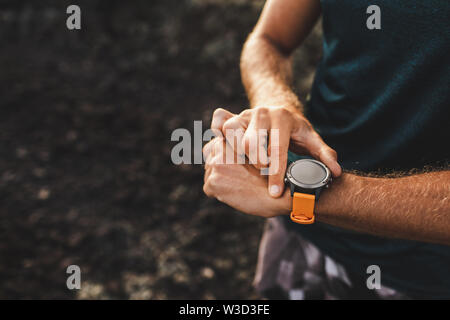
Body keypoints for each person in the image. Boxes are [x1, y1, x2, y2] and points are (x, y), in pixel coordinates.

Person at [202, 0, 450, 299]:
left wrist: (304, 194)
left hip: (424, 277)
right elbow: (269, 39)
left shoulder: (295, 196)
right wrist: (277, 108)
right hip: (299, 229)